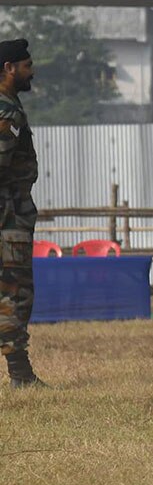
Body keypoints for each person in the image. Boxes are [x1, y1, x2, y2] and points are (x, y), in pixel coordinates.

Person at [0, 38, 43, 388]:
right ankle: (20, 375)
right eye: (26, 65)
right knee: (15, 292)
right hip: (8, 218)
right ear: (9, 69)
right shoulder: (7, 111)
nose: (32, 70)